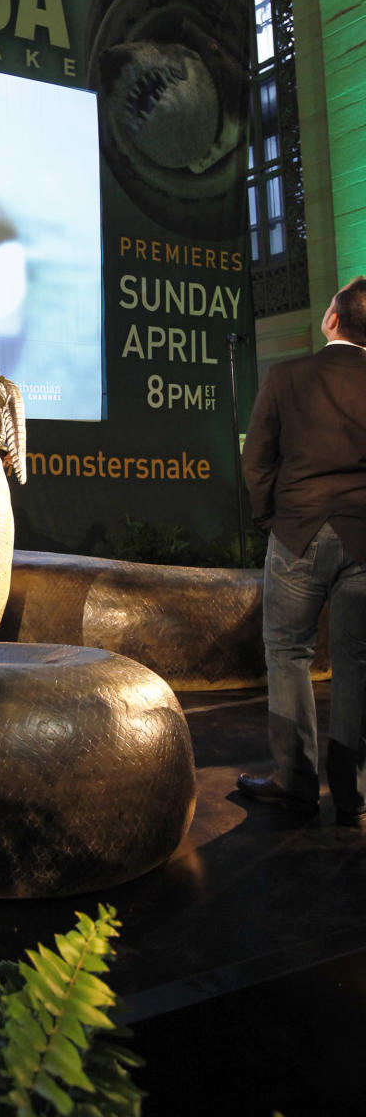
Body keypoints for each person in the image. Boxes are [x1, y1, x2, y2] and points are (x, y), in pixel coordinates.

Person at [238, 275, 366, 825]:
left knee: (287, 655)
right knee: (356, 663)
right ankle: (352, 793)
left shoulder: (286, 375)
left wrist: (275, 519)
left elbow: (257, 460)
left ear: (332, 319)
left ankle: (294, 784)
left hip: (297, 535)